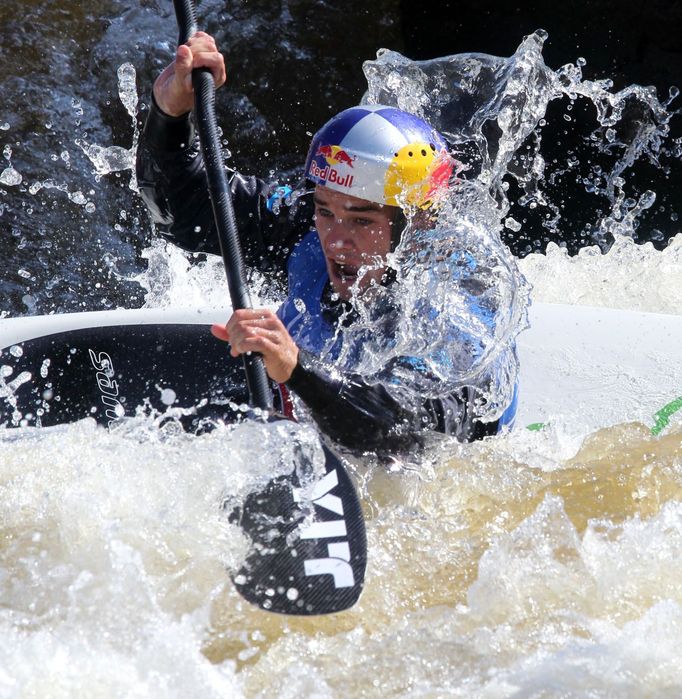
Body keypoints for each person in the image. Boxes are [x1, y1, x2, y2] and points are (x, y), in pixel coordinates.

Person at [136, 32, 517, 453]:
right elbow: (183, 211)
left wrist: (296, 369)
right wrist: (169, 113)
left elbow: (407, 437)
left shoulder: (454, 305)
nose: (335, 238)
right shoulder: (307, 229)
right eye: (326, 210)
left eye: (361, 220)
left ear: (417, 225)